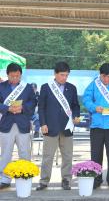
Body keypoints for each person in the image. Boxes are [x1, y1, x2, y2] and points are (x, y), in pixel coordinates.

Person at [36, 61, 80, 191]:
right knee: (47, 156)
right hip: (50, 127)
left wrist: (76, 115)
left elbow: (75, 105)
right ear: (55, 74)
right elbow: (41, 107)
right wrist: (43, 123)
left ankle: (66, 180)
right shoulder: (46, 87)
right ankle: (44, 181)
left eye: (66, 75)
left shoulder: (72, 88)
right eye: (62, 75)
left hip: (67, 127)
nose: (64, 78)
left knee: (67, 156)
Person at [0, 63, 36, 189]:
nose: (15, 78)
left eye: (17, 76)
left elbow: (33, 102)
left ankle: (25, 176)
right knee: (5, 153)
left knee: (25, 152)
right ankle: (4, 179)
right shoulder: (1, 86)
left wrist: (22, 108)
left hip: (22, 123)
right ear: (7, 75)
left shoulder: (27, 87)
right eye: (12, 76)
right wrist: (7, 108)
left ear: (21, 75)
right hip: (6, 124)